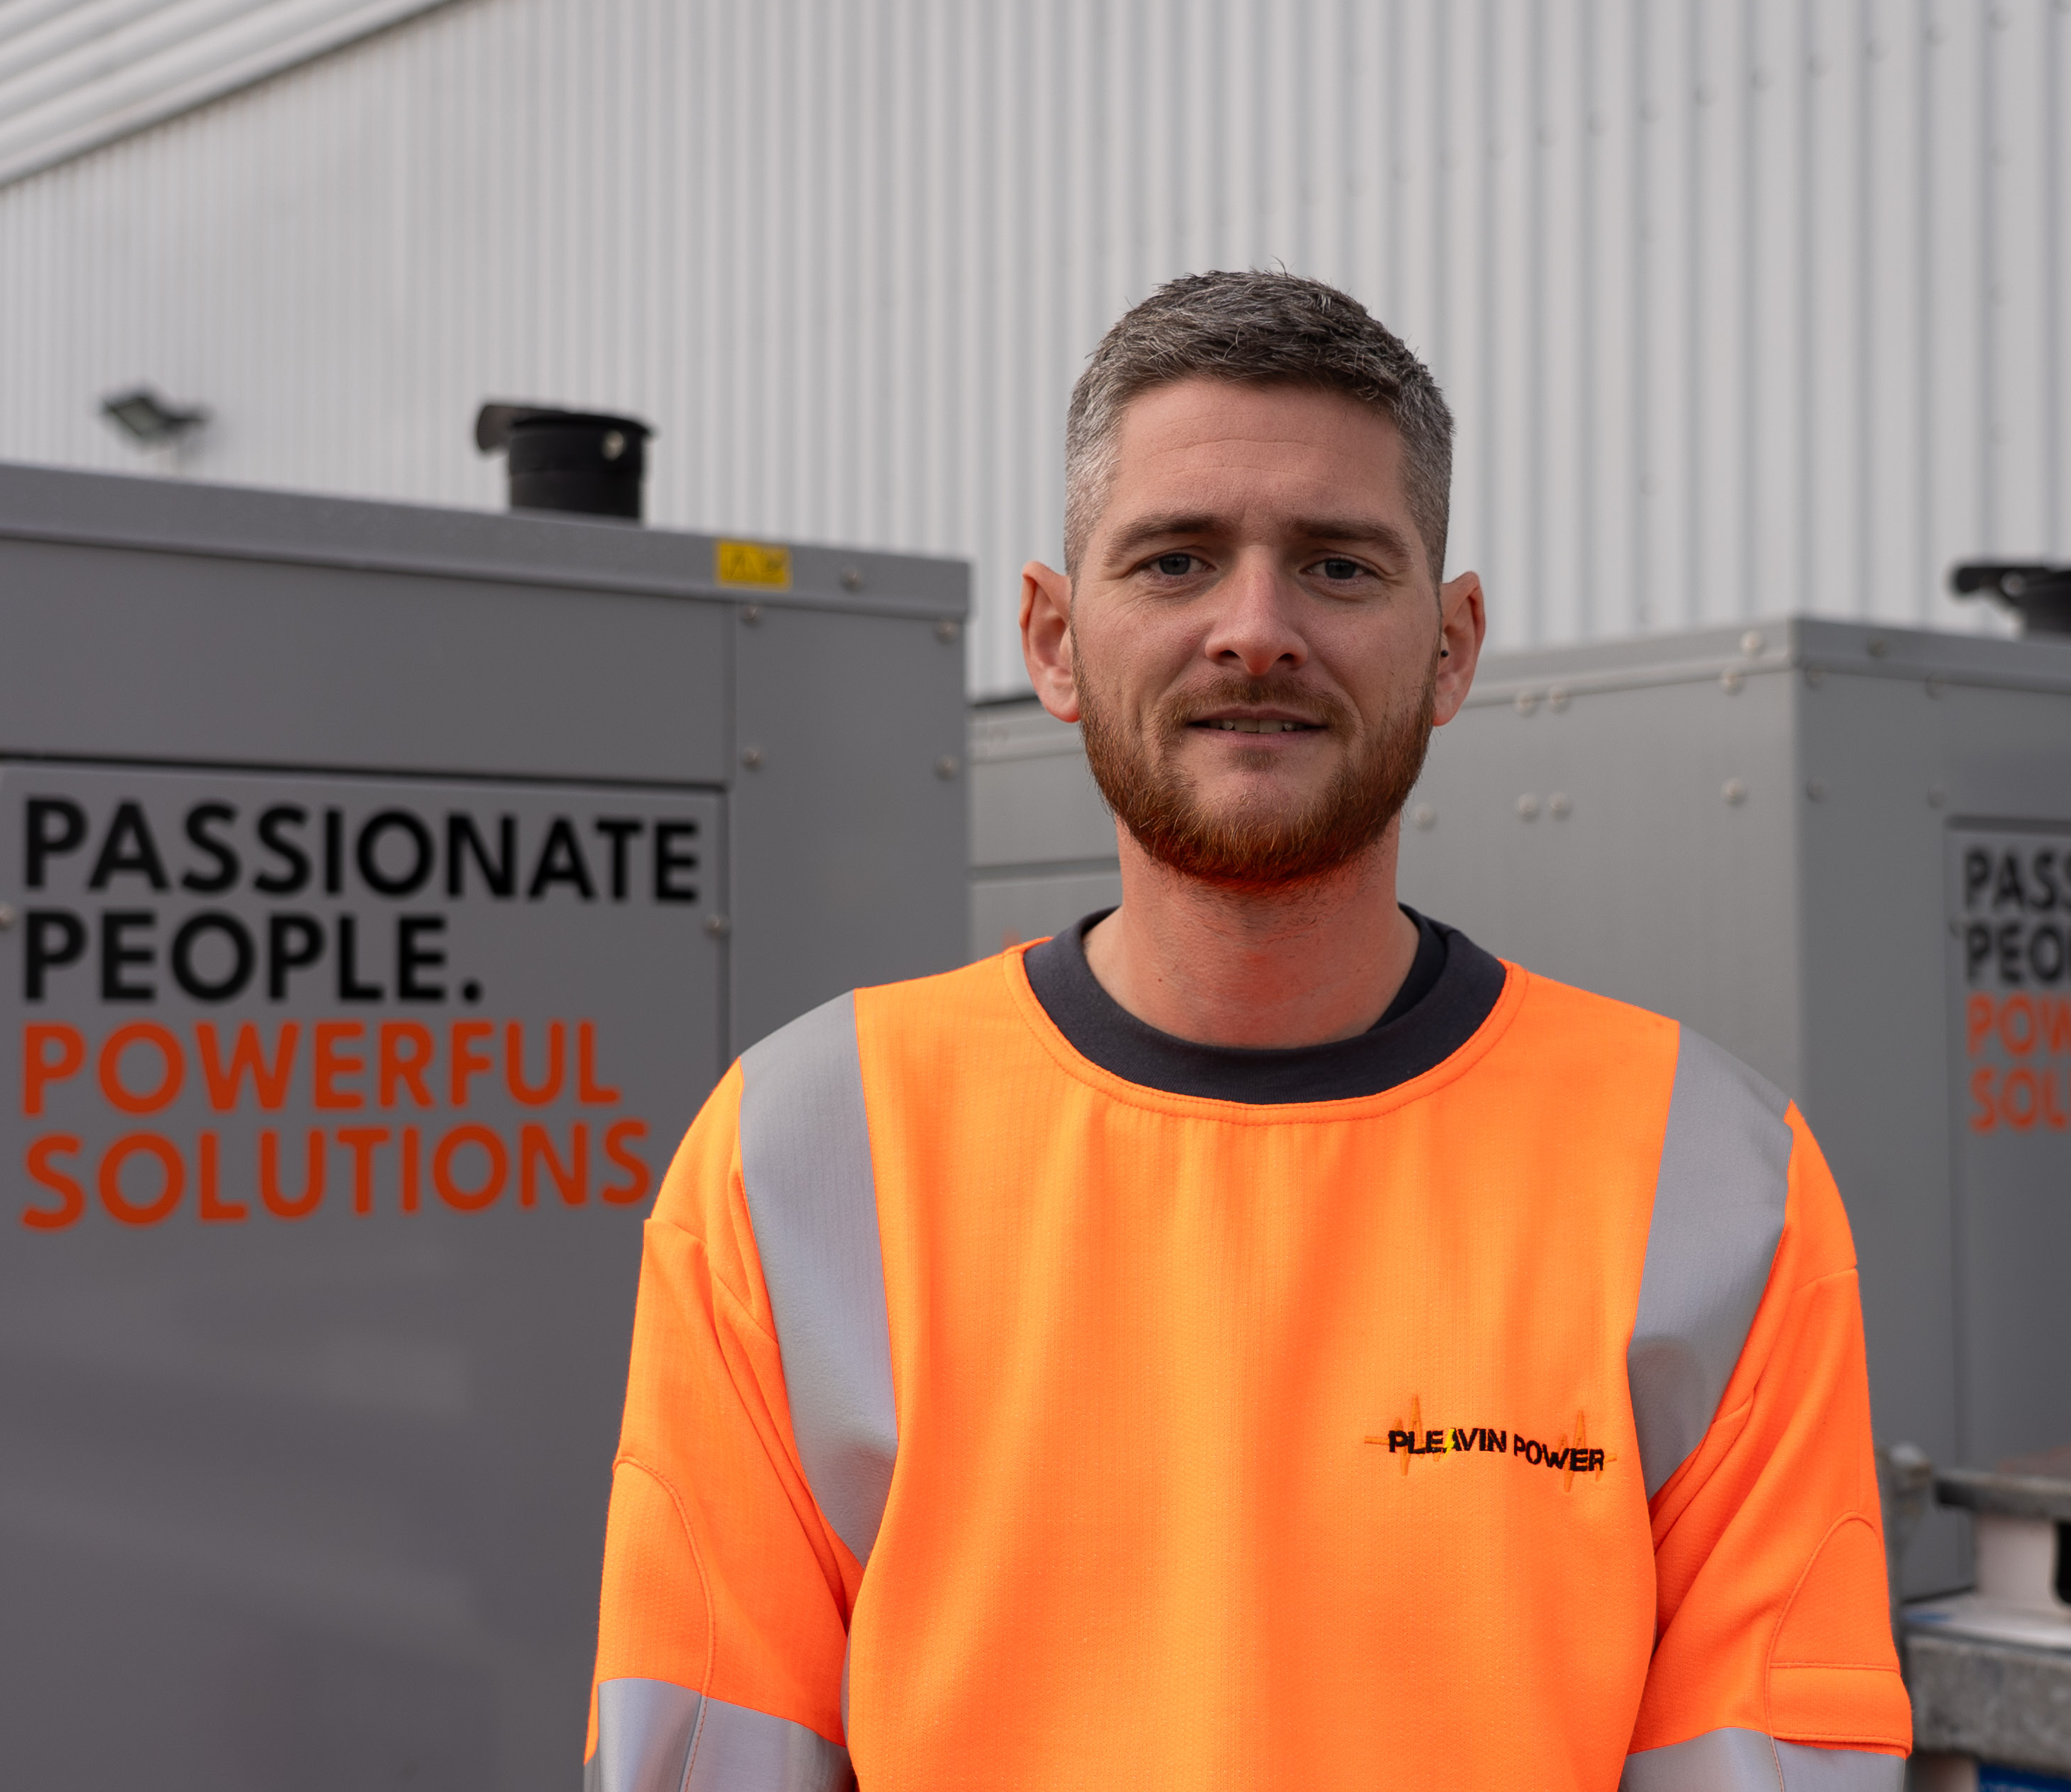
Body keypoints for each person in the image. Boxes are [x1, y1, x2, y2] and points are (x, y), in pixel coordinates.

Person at [584, 272, 1909, 1791]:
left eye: (1338, 566)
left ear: (1453, 645)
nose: (1256, 631)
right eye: (1177, 560)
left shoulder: (1714, 1179)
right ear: (1055, 637)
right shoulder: (799, 1156)